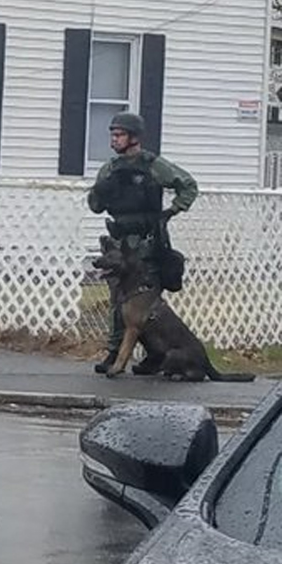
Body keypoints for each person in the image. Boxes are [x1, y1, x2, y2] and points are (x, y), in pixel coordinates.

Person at [88, 111, 198, 374]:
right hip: (120, 244)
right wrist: (101, 191)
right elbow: (95, 205)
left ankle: (156, 355)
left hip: (147, 244)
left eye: (120, 135)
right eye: (113, 135)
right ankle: (114, 352)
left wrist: (171, 211)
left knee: (148, 305)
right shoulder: (110, 169)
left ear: (134, 137)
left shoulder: (153, 165)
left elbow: (188, 186)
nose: (114, 139)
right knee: (118, 300)